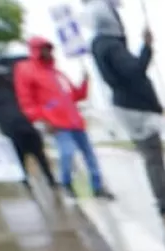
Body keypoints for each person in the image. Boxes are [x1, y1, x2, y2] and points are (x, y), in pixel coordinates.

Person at [86, 0, 165, 215]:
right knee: (153, 156)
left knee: (151, 156)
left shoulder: (99, 45)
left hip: (128, 107)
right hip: (135, 108)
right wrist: (146, 46)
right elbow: (135, 71)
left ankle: (164, 197)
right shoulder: (111, 45)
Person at [13, 36, 113, 201]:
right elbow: (26, 101)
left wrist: (85, 82)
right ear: (36, 51)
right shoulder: (25, 70)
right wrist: (40, 120)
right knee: (67, 153)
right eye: (44, 48)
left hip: (75, 121)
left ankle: (97, 186)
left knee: (90, 155)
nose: (48, 52)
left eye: (49, 48)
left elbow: (75, 95)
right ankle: (67, 183)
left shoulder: (57, 73)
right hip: (56, 123)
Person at [0, 55, 58, 191]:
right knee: (28, 155)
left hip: (20, 126)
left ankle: (45, 180)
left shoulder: (7, 88)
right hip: (17, 127)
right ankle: (35, 181)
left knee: (34, 154)